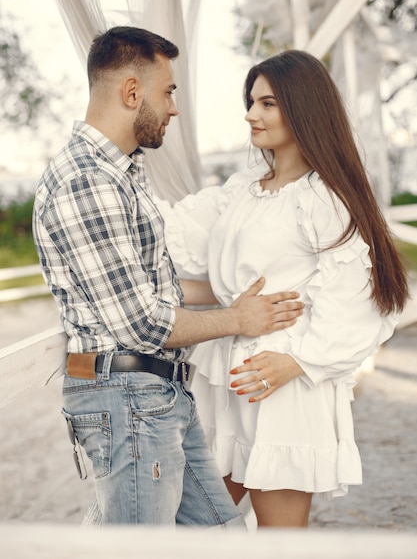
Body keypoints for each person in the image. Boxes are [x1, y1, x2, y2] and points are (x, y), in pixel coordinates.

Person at [32, 26, 303, 527]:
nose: (174, 107)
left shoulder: (121, 175)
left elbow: (153, 290)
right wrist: (238, 318)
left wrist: (233, 294)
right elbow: (144, 324)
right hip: (127, 398)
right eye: (168, 91)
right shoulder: (86, 182)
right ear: (133, 93)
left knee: (221, 536)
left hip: (155, 396)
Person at [157, 50, 409, 528]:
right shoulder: (245, 188)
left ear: (303, 108)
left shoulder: (325, 200)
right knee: (198, 529)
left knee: (280, 543)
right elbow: (181, 242)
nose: (251, 114)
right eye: (252, 101)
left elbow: (363, 299)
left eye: (267, 103)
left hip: (282, 386)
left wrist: (297, 361)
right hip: (225, 376)